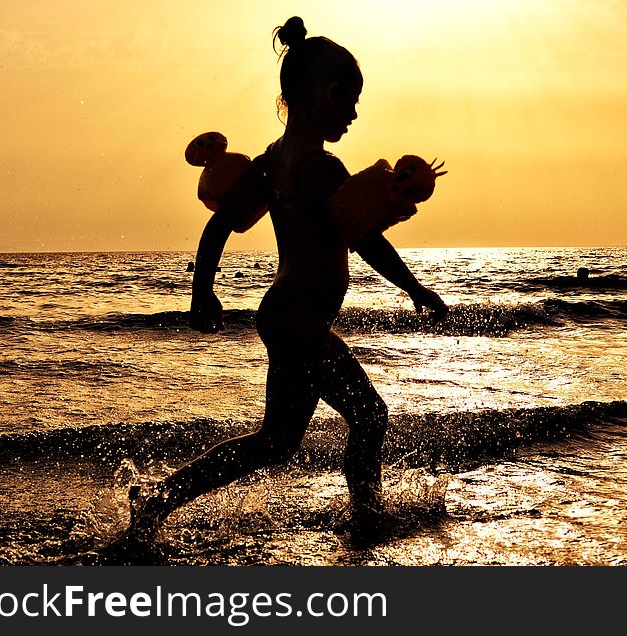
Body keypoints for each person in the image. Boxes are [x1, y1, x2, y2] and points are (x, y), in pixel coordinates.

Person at [126, 17, 448, 543]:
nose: (354, 112)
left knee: (277, 442)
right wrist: (413, 288)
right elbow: (363, 236)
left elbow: (218, 224)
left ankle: (162, 498)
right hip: (298, 317)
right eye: (351, 99)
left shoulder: (271, 162)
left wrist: (202, 288)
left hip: (285, 313)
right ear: (324, 94)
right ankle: (368, 517)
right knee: (369, 414)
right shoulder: (322, 169)